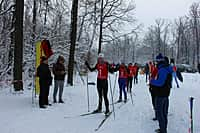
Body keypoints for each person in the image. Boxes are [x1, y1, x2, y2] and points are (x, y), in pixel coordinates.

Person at [150, 53, 173, 133]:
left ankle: (163, 130)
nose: (156, 63)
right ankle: (163, 128)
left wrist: (152, 81)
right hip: (165, 93)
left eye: (156, 61)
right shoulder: (166, 68)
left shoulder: (163, 69)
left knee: (160, 113)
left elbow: (160, 82)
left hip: (161, 93)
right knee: (163, 113)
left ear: (159, 61)